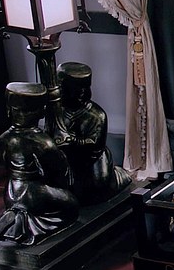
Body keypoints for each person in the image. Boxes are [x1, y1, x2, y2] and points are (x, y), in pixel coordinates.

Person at [0, 82, 79, 246]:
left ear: (9, 110)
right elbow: (56, 171)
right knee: (72, 204)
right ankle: (27, 222)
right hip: (34, 193)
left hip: (11, 192)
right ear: (41, 112)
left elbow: (6, 166)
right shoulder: (42, 142)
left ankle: (17, 214)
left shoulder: (4, 139)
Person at [54, 62, 132, 204]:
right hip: (68, 157)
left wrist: (72, 140)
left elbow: (95, 144)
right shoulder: (59, 110)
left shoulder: (96, 115)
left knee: (98, 185)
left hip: (92, 158)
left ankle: (118, 176)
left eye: (64, 90)